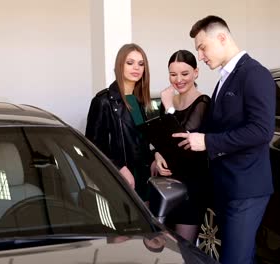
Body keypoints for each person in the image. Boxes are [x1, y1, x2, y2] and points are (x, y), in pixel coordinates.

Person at [172, 16, 276, 264]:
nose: (200, 55)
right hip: (226, 186)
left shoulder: (255, 74)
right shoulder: (225, 77)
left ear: (222, 38)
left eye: (202, 47)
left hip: (246, 187)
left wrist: (208, 142)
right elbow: (216, 127)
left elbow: (262, 131)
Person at [152, 50, 210, 244]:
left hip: (191, 186)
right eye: (173, 74)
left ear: (196, 73)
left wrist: (169, 108)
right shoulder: (170, 101)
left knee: (184, 248)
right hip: (167, 184)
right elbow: (161, 140)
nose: (178, 80)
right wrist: (157, 155)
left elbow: (182, 141)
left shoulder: (203, 102)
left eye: (184, 74)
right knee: (164, 247)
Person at [85, 43, 153, 202]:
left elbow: (141, 143)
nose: (136, 67)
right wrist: (119, 167)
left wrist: (154, 159)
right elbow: (92, 146)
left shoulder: (141, 102)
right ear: (119, 65)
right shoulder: (103, 101)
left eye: (141, 64)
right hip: (118, 180)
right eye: (130, 63)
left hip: (143, 179)